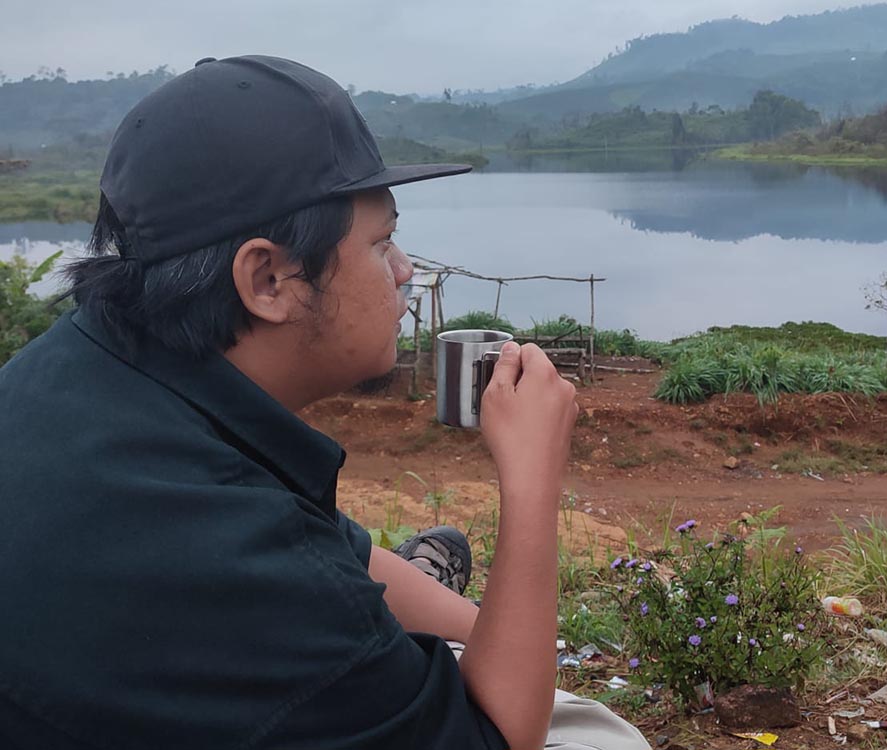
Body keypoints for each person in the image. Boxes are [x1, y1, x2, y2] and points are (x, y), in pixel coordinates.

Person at [0, 55, 649, 750]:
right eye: (383, 242)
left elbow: (322, 548)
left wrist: (484, 632)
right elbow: (494, 736)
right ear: (269, 277)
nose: (405, 272)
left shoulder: (91, 368)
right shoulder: (240, 564)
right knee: (597, 736)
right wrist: (532, 479)